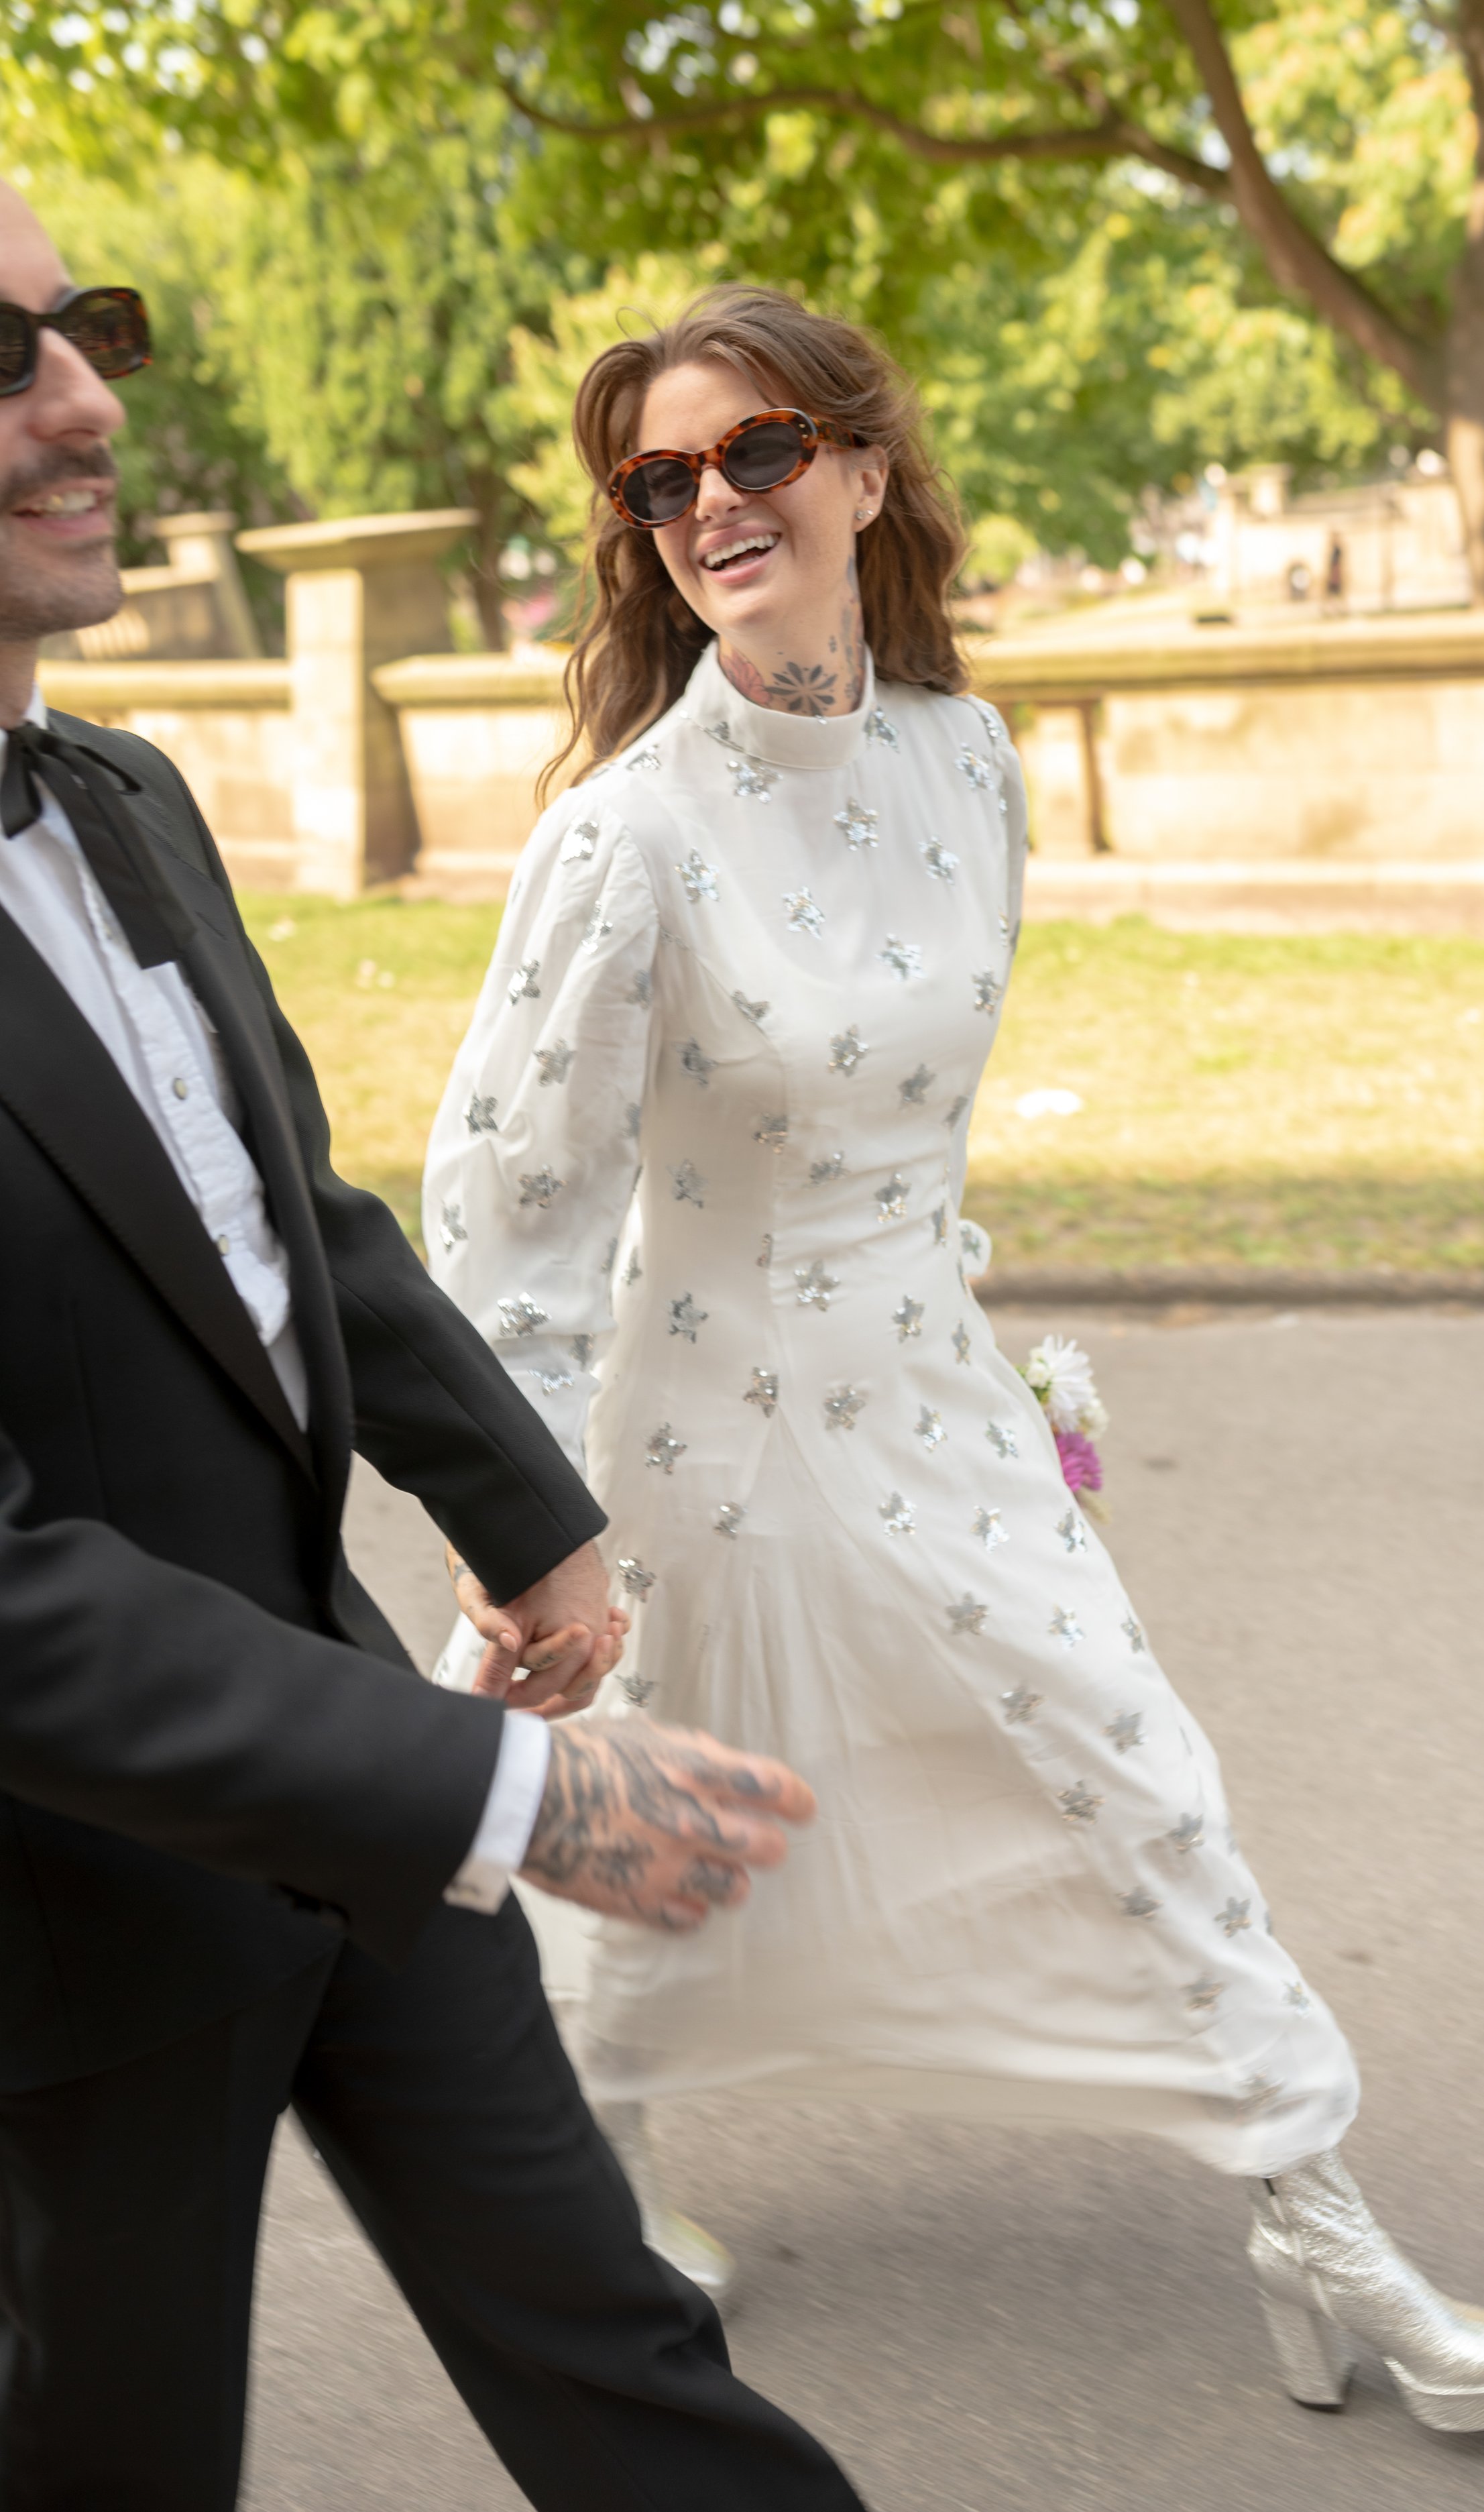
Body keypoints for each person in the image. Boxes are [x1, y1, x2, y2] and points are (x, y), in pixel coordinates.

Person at [426, 284, 1484, 2439]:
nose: (709, 505)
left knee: (1130, 1764)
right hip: (701, 1437)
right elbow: (509, 1202)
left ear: (861, 467)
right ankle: (606, 2175)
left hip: (933, 1399)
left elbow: (917, 1133)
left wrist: (997, 1363)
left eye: (754, 451)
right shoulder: (626, 836)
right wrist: (521, 1522)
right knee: (655, 1818)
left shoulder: (969, 761)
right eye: (660, 482)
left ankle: (1316, 2226)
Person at [0, 186, 872, 2512]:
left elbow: (290, 1222)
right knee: (112, 2458)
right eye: (3, 357)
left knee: (628, 2366)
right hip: (61, 1932)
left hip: (365, 1772)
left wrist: (528, 1513)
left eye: (88, 326)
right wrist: (526, 1796)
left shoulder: (126, 797)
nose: (89, 397)